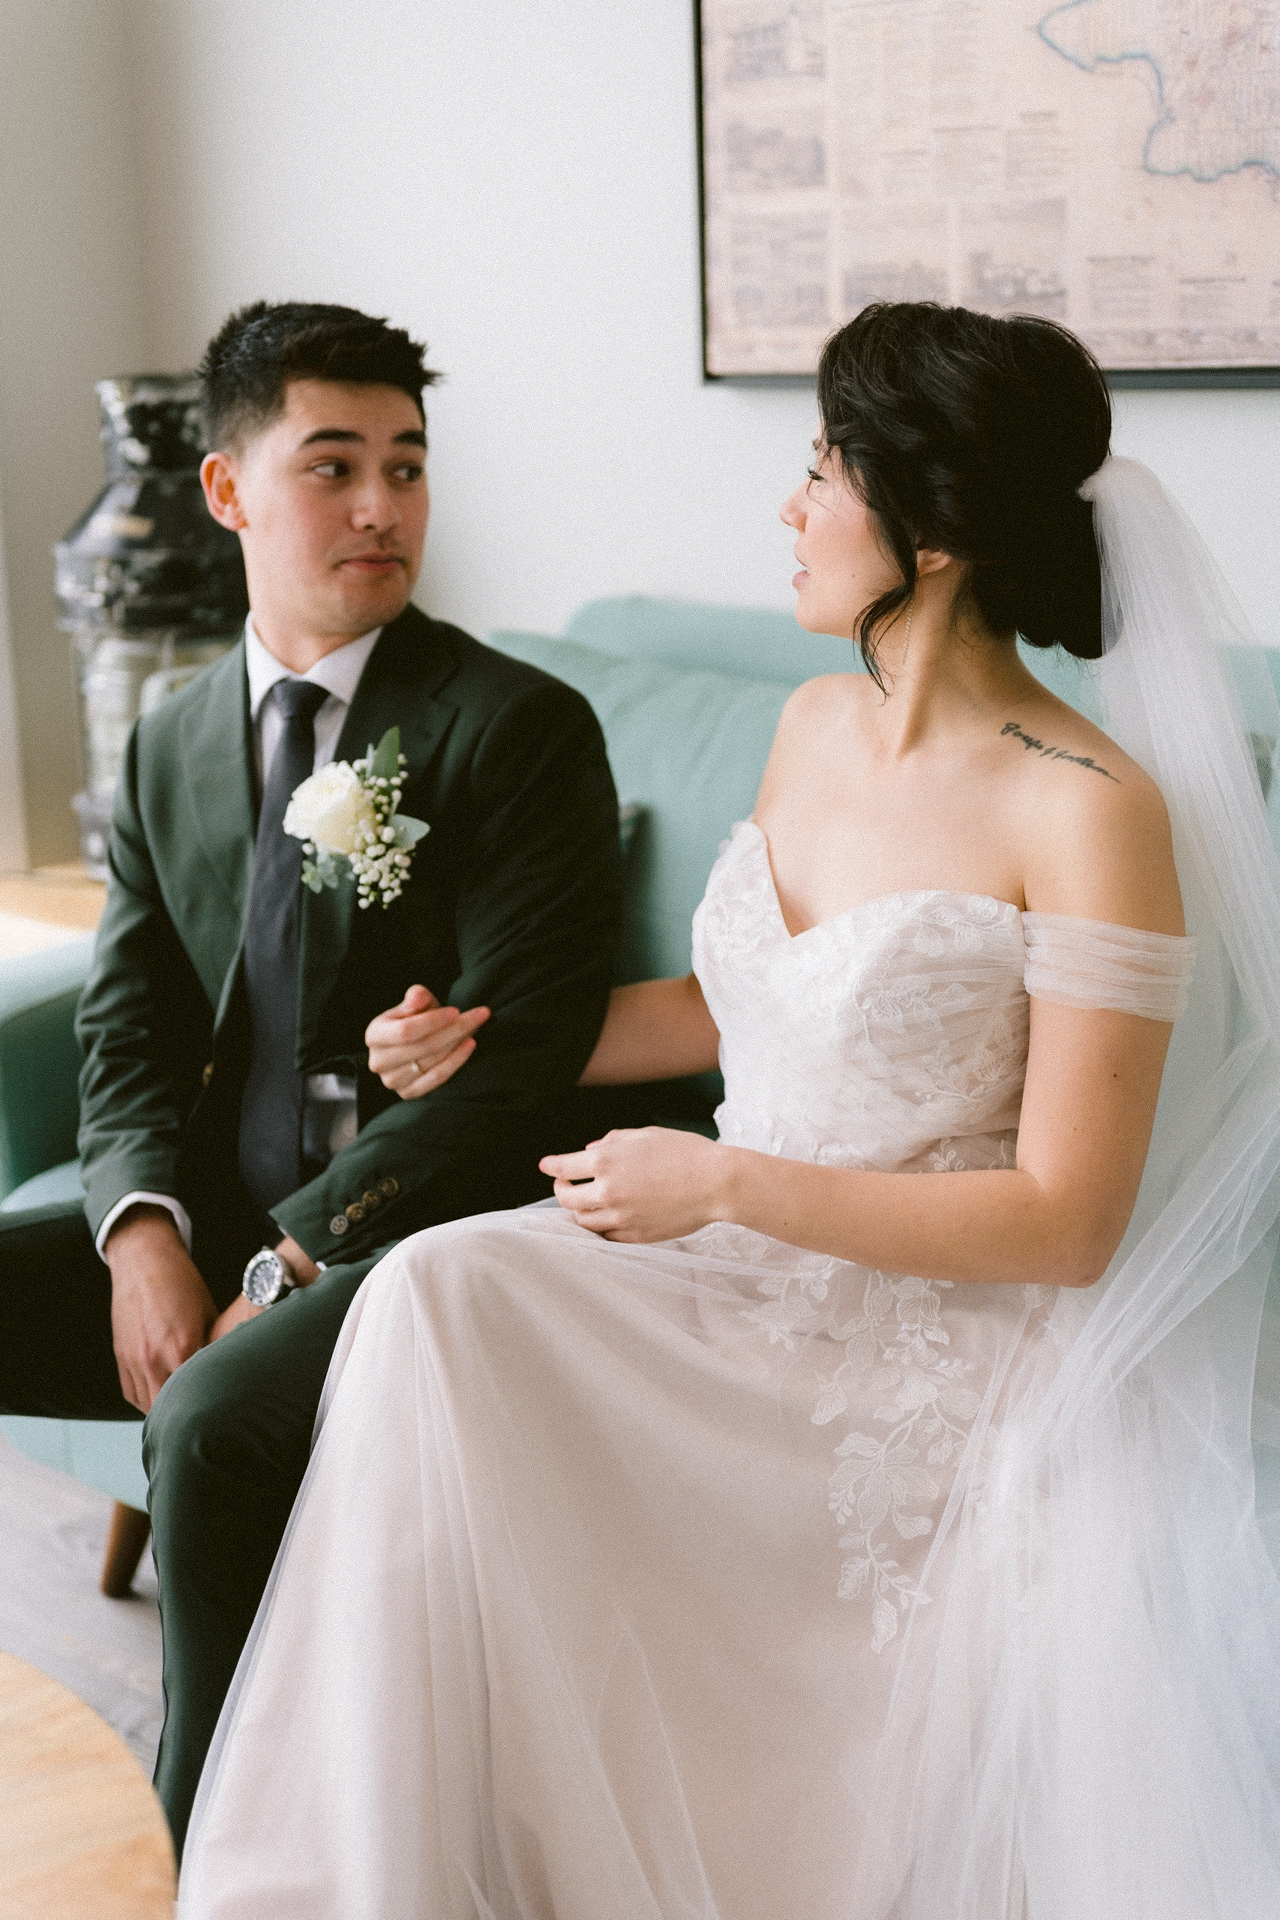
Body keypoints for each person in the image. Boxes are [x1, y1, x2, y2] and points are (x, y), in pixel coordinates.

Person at [178, 304, 1280, 1918]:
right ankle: (383, 1871)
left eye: (824, 470)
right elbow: (739, 1007)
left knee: (441, 1293)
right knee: (432, 1293)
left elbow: (1070, 1221)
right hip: (732, 1261)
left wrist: (726, 1186)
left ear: (939, 529)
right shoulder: (811, 721)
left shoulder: (1093, 810)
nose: (792, 508)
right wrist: (496, 1045)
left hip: (928, 1336)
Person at [0, 300, 625, 1856]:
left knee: (211, 1423)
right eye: (333, 464)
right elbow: (126, 1021)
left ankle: (199, 1843)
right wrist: (138, 1228)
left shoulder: (514, 728)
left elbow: (527, 1065)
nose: (380, 507)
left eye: (407, 467)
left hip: (413, 1231)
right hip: (213, 1207)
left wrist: (285, 1259)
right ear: (228, 493)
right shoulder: (167, 741)